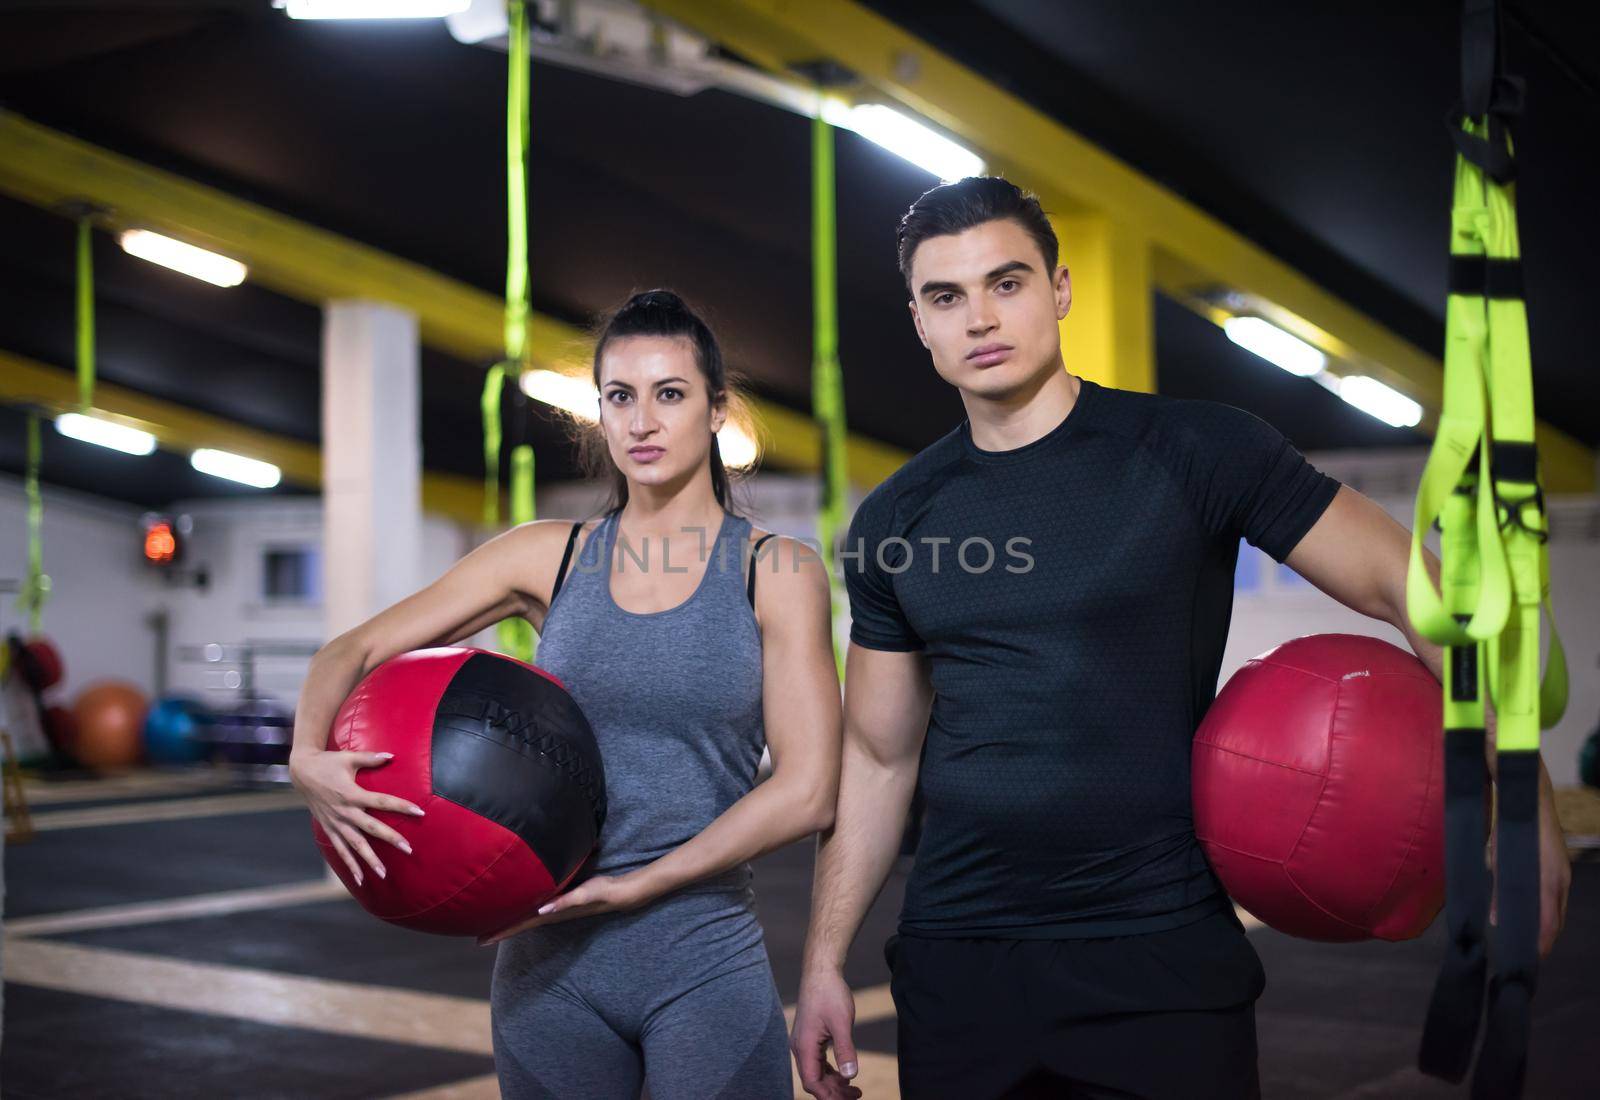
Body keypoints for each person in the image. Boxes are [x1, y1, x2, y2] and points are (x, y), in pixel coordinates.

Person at [789, 176, 1571, 1100]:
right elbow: (879, 761)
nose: (980, 319)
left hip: (1158, 955)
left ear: (1061, 289)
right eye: (947, 297)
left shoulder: (1196, 451)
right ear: (919, 321)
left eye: (1008, 283)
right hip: (959, 963)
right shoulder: (895, 519)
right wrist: (822, 961)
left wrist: (1526, 809)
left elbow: (1419, 592)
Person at [290, 289, 841, 1099]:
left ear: (717, 410)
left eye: (670, 394)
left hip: (700, 954)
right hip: (548, 972)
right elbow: (355, 648)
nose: (642, 421)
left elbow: (808, 790)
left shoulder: (778, 571)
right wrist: (306, 755)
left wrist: (640, 883)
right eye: (619, 397)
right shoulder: (546, 556)